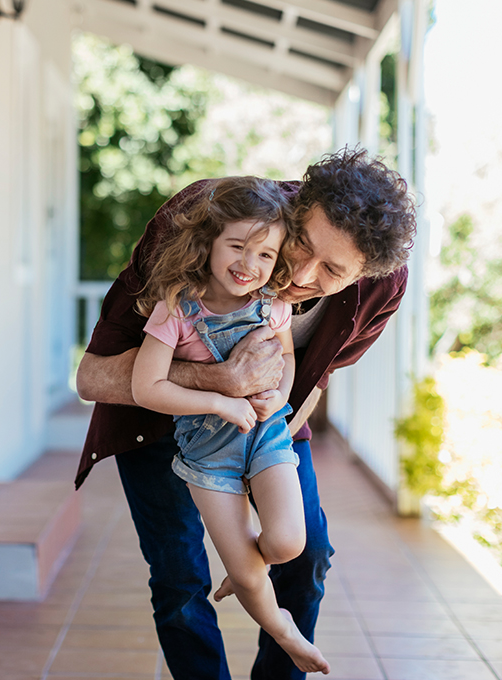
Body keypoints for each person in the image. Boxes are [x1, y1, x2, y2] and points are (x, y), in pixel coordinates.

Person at [75, 146, 417, 680]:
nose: (302, 273)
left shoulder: (381, 287)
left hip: (264, 423)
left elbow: (314, 377)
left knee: (306, 558)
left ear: (363, 274)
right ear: (295, 208)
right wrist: (218, 382)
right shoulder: (210, 218)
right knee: (179, 577)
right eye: (301, 243)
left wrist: (265, 418)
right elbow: (92, 376)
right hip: (157, 421)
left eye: (332, 269)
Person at [130, 176, 329, 674]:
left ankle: (246, 578)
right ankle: (283, 629)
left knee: (288, 544)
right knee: (237, 569)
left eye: (265, 256)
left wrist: (275, 398)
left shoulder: (273, 306)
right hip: (206, 452)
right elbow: (146, 388)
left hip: (265, 434)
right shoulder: (177, 309)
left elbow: (285, 361)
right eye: (237, 247)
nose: (249, 265)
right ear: (209, 242)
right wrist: (221, 403)